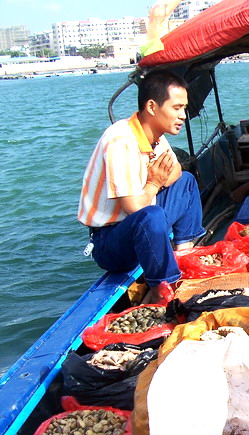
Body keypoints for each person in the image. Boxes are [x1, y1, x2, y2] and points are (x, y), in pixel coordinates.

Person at [77, 70, 205, 303]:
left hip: (141, 221)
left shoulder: (155, 136)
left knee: (186, 181)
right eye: (177, 108)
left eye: (184, 108)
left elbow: (176, 170)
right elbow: (134, 208)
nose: (183, 115)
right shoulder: (121, 141)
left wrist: (157, 180)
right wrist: (154, 183)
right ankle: (162, 290)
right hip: (110, 241)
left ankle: (183, 253)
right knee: (150, 216)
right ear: (152, 107)